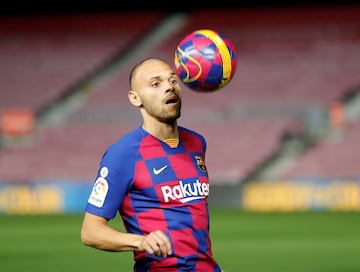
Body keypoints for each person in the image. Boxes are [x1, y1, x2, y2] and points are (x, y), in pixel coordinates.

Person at [81, 57, 223, 272]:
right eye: (156, 84)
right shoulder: (123, 154)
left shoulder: (196, 143)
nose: (169, 87)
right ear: (135, 98)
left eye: (173, 81)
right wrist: (140, 241)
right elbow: (90, 232)